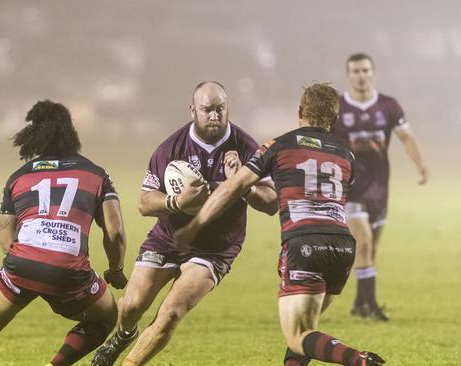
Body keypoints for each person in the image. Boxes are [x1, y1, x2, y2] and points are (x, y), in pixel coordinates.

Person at [175, 83, 386, 366]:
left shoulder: (280, 145)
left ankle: (358, 360)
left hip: (304, 244)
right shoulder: (346, 155)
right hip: (343, 247)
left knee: (298, 335)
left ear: (299, 112)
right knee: (305, 333)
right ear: (333, 120)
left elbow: (231, 188)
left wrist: (196, 224)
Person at [91, 81, 277, 366]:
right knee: (131, 306)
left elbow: (271, 203)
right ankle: (123, 336)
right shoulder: (171, 148)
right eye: (207, 110)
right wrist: (176, 202)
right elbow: (144, 203)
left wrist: (243, 184)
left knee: (171, 313)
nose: (214, 115)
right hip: (168, 238)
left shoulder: (246, 147)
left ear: (228, 109)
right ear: (192, 110)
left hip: (214, 249)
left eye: (220, 109)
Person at [0, 100, 128, 366]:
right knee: (105, 317)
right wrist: (115, 270)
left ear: (33, 135)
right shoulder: (96, 174)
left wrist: (23, 267)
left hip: (21, 262)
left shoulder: (18, 176)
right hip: (68, 269)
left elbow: (4, 233)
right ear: (71, 133)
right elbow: (115, 234)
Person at [330, 53, 428, 321]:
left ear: (373, 72)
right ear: (348, 75)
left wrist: (420, 165)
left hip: (380, 186)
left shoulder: (388, 106)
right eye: (355, 71)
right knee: (363, 242)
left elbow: (406, 137)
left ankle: (360, 301)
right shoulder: (337, 108)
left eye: (365, 70)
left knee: (371, 249)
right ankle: (370, 306)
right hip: (349, 187)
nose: (360, 76)